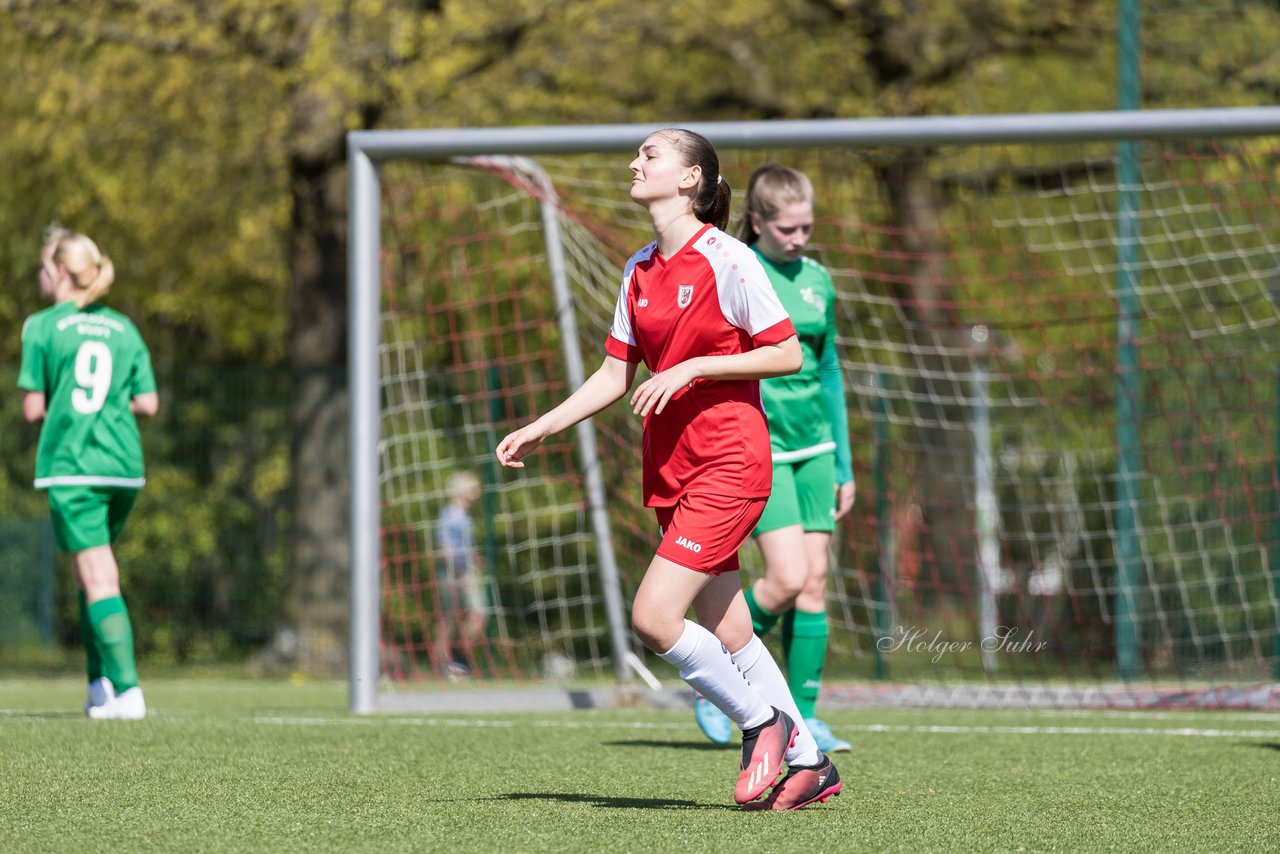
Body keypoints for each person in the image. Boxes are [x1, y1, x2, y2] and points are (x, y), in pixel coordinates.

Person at [496, 130, 841, 810]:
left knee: (655, 618)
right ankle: (809, 761)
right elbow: (612, 375)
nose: (635, 164)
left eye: (651, 156)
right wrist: (542, 425)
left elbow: (784, 354)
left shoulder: (730, 259)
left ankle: (761, 724)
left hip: (730, 462)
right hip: (672, 469)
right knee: (731, 629)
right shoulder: (639, 268)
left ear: (690, 179)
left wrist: (695, 366)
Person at [692, 164, 855, 754]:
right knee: (785, 578)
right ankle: (717, 683)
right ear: (757, 222)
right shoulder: (738, 269)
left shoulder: (819, 281)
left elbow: (830, 371)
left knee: (813, 586)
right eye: (788, 228)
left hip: (817, 451)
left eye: (808, 227)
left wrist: (844, 464)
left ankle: (802, 719)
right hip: (762, 445)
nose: (800, 239)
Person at [18, 227, 158, 720]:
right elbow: (148, 401)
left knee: (98, 575)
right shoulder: (124, 328)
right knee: (86, 572)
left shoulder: (42, 326)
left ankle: (129, 691)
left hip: (73, 466)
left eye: (42, 266)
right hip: (123, 467)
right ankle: (99, 686)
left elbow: (33, 408)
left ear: (58, 270)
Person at [432, 470, 488, 678]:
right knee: (448, 618)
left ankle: (459, 657)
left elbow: (463, 546)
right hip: (452, 572)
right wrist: (459, 574)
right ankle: (445, 664)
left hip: (467, 571)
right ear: (460, 491)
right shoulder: (449, 514)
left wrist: (474, 559)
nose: (475, 494)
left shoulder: (465, 516)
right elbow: (445, 546)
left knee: (478, 615)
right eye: (472, 489)